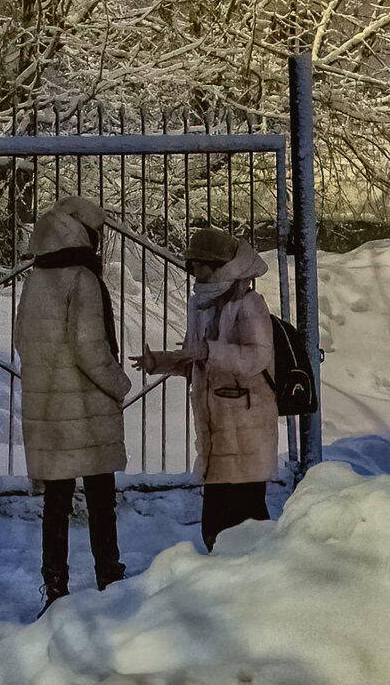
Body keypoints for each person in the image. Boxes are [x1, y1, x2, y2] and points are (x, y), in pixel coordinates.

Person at [14, 195, 132, 617]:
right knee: (101, 498)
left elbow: (21, 342)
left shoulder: (37, 278)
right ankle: (110, 578)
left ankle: (55, 587)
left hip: (50, 409)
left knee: (57, 504)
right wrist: (119, 384)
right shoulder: (82, 279)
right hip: (86, 407)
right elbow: (90, 347)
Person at [131, 228, 278, 552]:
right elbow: (197, 360)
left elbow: (258, 357)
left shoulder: (248, 303)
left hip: (246, 425)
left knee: (248, 518)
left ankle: (265, 582)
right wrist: (161, 362)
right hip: (217, 430)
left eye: (199, 264)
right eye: (191, 264)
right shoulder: (201, 303)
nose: (193, 271)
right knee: (216, 522)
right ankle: (229, 579)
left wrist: (209, 351)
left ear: (217, 264)